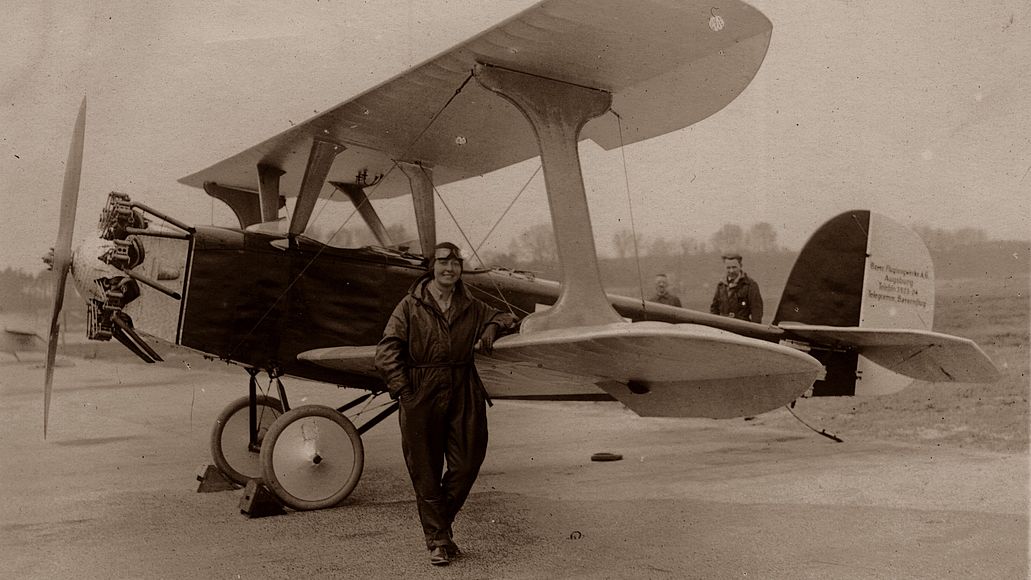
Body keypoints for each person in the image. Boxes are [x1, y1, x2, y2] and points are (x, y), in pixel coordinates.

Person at [375, 242, 515, 567]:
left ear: (460, 269)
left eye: (455, 264)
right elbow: (386, 351)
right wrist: (404, 391)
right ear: (432, 267)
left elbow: (505, 315)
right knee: (424, 469)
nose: (449, 270)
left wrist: (492, 327)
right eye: (443, 263)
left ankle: (440, 528)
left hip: (463, 386)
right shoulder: (410, 305)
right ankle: (438, 541)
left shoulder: (470, 303)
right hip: (420, 390)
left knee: (468, 461)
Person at [710, 253, 763, 322]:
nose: (731, 271)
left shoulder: (750, 285)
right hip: (723, 328)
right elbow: (714, 309)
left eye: (734, 267)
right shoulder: (721, 285)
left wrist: (755, 330)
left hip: (742, 328)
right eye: (728, 268)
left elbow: (756, 311)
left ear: (740, 266)